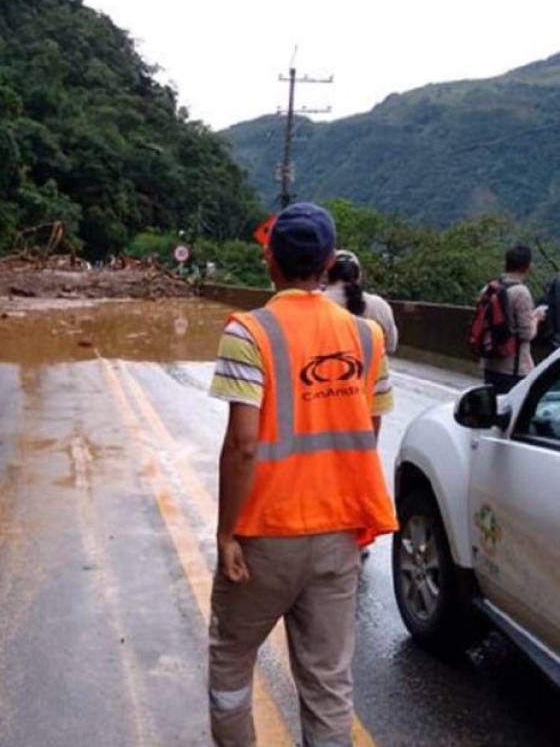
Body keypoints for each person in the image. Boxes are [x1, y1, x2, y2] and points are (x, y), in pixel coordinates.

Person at [206, 202, 397, 747]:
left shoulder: (249, 332)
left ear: (270, 259)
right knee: (327, 684)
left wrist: (226, 533)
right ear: (330, 261)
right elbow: (369, 430)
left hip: (264, 534)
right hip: (339, 537)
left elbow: (243, 445)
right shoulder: (367, 337)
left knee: (231, 663)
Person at [479, 246, 540, 394]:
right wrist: (536, 319)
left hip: (490, 362)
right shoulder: (521, 292)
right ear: (527, 266)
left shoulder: (489, 288)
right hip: (513, 367)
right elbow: (526, 334)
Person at [324, 250, 399, 354]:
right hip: (371, 368)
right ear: (359, 275)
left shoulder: (314, 303)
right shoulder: (380, 305)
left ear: (327, 275)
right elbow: (391, 346)